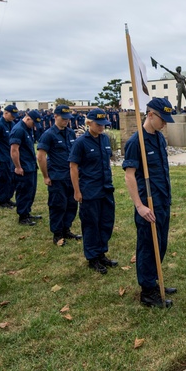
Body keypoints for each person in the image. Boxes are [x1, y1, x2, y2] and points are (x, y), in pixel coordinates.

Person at [122, 98, 177, 308]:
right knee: (147, 247)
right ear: (150, 115)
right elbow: (129, 176)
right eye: (162, 119)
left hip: (163, 200)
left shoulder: (160, 139)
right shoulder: (136, 142)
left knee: (160, 243)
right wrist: (140, 206)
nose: (165, 124)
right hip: (148, 205)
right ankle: (147, 292)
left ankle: (156, 281)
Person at [69, 108, 117, 274]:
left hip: (106, 188)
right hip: (89, 190)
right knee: (91, 225)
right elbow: (73, 167)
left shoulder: (104, 139)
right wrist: (77, 191)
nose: (102, 127)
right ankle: (92, 257)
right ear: (89, 123)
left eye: (104, 124)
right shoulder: (80, 142)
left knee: (106, 222)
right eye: (98, 124)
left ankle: (101, 252)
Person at [37, 104, 80, 245]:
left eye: (68, 119)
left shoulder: (71, 133)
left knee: (71, 205)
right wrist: (45, 176)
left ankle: (66, 229)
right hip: (57, 176)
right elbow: (41, 156)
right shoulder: (48, 134)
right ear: (55, 116)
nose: (66, 121)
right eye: (63, 118)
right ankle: (57, 234)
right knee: (58, 205)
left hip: (70, 176)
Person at [10, 109, 43, 226]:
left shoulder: (27, 128)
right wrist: (18, 167)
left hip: (30, 166)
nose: (34, 126)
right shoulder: (18, 129)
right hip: (23, 167)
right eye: (33, 123)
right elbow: (14, 150)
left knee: (30, 191)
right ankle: (23, 216)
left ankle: (27, 212)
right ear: (28, 118)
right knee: (23, 191)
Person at [0, 104, 18, 209]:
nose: (14, 117)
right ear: (5, 113)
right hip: (2, 157)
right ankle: (2, 201)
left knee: (11, 179)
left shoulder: (12, 123)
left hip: (10, 157)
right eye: (12, 115)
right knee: (2, 179)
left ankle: (8, 198)